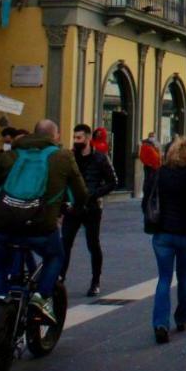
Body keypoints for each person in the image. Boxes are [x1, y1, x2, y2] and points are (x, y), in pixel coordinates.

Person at [0, 119, 86, 323]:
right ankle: (41, 297)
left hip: (4, 225)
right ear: (55, 136)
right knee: (55, 256)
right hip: (41, 227)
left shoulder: (10, 155)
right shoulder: (63, 157)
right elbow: (81, 193)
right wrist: (72, 207)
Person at [143, 136, 186, 344]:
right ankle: (183, 318)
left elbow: (147, 200)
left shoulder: (160, 174)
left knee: (164, 278)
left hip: (163, 233)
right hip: (185, 234)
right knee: (184, 275)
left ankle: (160, 323)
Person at [62, 123, 117, 297]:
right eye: (74, 137)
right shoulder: (70, 157)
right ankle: (59, 278)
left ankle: (95, 281)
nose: (75, 141)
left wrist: (94, 194)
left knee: (93, 244)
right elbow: (63, 181)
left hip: (92, 208)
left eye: (79, 138)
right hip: (73, 207)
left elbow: (113, 182)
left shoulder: (100, 158)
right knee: (65, 244)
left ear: (87, 138)